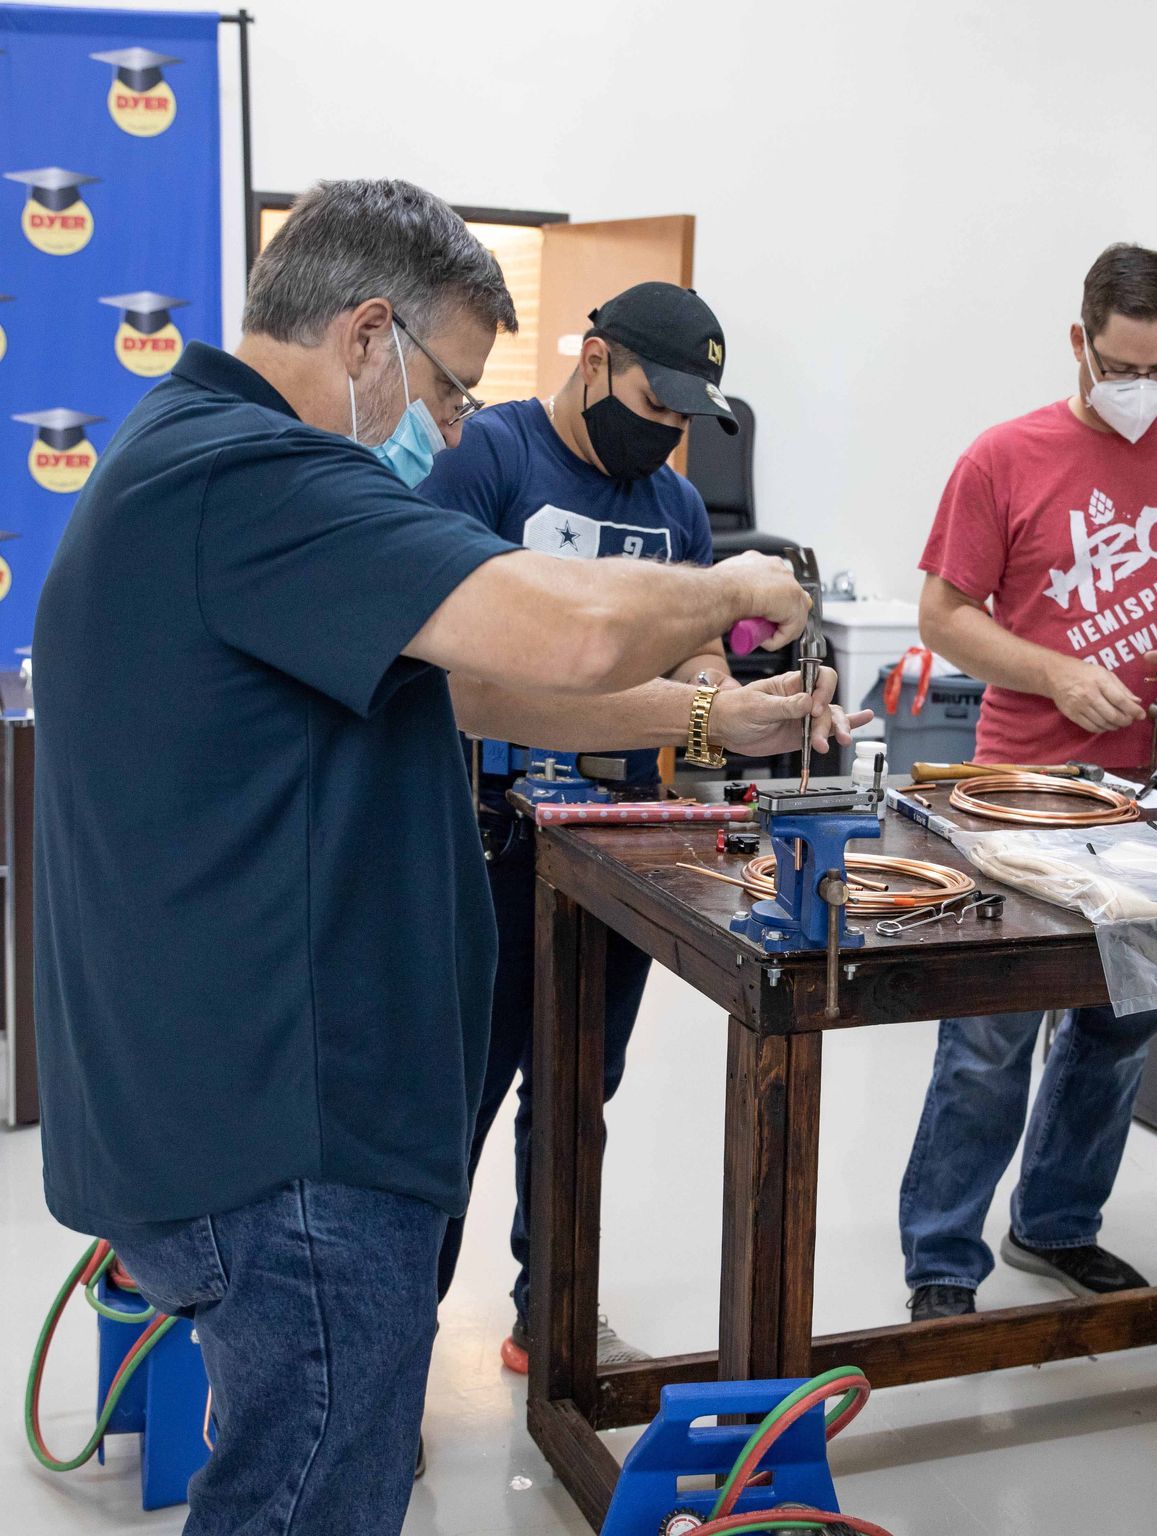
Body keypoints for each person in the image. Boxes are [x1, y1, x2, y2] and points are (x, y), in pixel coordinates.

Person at [31, 179, 812, 1536]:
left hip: (253, 1109)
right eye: (448, 393)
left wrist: (700, 711)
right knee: (310, 1498)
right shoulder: (254, 476)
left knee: (292, 1466)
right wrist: (736, 584)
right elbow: (559, 634)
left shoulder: (197, 463)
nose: (447, 429)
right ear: (367, 335)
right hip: (281, 1141)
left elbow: (483, 688)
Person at [420, 281, 865, 1372]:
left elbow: (695, 668)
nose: (666, 434)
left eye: (684, 421)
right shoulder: (491, 458)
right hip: (483, 844)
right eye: (654, 405)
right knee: (451, 1108)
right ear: (593, 359)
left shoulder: (673, 510)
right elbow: (442, 654)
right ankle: (401, 1341)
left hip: (619, 850)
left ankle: (551, 1309)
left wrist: (745, 711)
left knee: (578, 1090)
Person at [902, 242, 1157, 1321]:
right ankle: (942, 1264)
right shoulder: (1003, 458)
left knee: (1119, 1023)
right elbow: (943, 618)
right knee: (988, 1038)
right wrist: (1054, 675)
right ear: (1079, 343)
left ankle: (1056, 1223)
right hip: (1018, 791)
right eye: (1125, 368)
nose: (1145, 392)